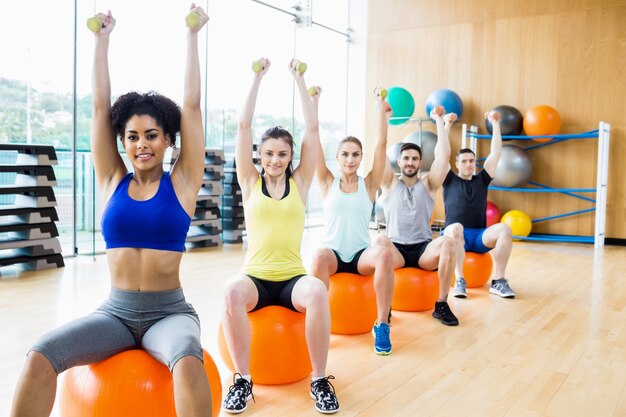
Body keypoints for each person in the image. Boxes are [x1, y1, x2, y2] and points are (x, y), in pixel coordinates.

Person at [10, 6, 213, 417]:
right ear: (122, 141)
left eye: (152, 136)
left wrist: (192, 37)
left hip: (169, 312)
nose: (142, 144)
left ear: (168, 140)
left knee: (190, 361)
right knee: (39, 356)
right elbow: (100, 108)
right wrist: (101, 41)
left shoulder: (183, 181)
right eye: (133, 136)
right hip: (115, 313)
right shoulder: (111, 180)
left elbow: (191, 106)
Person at [220, 58, 339, 414]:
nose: (275, 160)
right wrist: (256, 77)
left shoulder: (300, 183)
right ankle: (242, 379)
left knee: (317, 290)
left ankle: (319, 380)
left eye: (282, 154)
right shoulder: (249, 182)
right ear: (259, 154)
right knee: (230, 291)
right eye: (269, 153)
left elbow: (313, 131)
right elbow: (243, 126)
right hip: (255, 277)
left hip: (291, 277)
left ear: (291, 157)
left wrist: (300, 79)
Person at [310, 88, 395, 355]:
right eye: (345, 154)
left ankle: (382, 324)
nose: (350, 159)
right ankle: (318, 323)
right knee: (319, 255)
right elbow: (313, 140)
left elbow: (381, 145)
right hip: (333, 255)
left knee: (383, 254)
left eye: (355, 154)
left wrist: (381, 105)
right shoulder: (326, 181)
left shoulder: (369, 184)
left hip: (360, 255)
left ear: (361, 158)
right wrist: (314, 102)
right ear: (337, 157)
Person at [374, 106, 462, 326]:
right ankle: (385, 308)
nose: (410, 162)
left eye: (415, 159)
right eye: (406, 158)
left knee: (448, 243)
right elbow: (380, 148)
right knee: (378, 240)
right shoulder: (389, 183)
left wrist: (439, 120)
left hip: (423, 250)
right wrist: (384, 118)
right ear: (400, 161)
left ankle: (441, 304)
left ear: (420, 163)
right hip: (396, 251)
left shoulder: (429, 184)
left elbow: (444, 155)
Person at [443, 110, 516, 298]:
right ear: (457, 164)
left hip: (478, 236)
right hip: (454, 235)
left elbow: (496, 153)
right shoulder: (448, 179)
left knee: (505, 230)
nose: (469, 164)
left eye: (472, 161)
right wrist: (447, 125)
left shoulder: (482, 179)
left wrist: (496, 123)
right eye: (464, 161)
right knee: (456, 227)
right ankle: (460, 279)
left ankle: (499, 281)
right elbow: (443, 153)